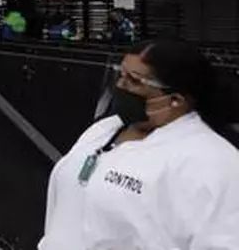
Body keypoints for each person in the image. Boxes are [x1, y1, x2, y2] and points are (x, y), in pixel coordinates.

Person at [39, 40, 239, 250]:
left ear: (176, 100)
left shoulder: (212, 161)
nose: (120, 85)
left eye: (133, 80)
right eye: (120, 74)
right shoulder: (104, 129)